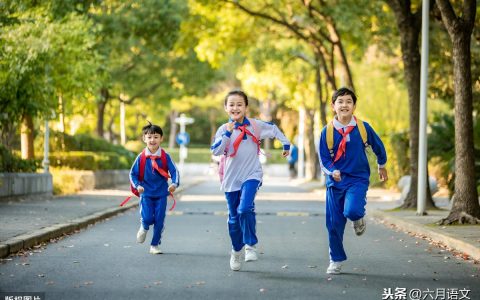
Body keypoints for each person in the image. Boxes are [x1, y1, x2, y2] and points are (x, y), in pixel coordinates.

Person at [211, 89, 290, 271]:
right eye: (231, 104)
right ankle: (236, 250)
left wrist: (285, 143)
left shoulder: (255, 125)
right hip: (231, 179)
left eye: (240, 104)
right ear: (226, 108)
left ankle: (250, 245)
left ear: (246, 107)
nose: (235, 107)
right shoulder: (223, 129)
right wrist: (227, 134)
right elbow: (216, 151)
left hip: (251, 174)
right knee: (233, 218)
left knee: (245, 208)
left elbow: (274, 129)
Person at [318, 87, 388, 275]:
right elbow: (323, 159)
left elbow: (378, 146)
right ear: (333, 106)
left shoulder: (363, 128)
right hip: (335, 182)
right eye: (340, 102)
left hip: (358, 178)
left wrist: (382, 164)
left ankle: (358, 218)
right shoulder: (327, 132)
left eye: (349, 101)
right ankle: (336, 259)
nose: (344, 105)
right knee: (333, 223)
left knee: (352, 210)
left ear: (354, 106)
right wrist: (332, 172)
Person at [129, 122, 180, 254]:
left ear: (161, 139)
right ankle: (144, 227)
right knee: (147, 218)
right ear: (144, 139)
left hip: (162, 193)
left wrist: (174, 184)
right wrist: (138, 185)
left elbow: (175, 172)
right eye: (149, 137)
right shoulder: (141, 157)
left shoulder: (165, 156)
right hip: (145, 193)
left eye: (156, 137)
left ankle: (155, 245)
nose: (152, 140)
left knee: (159, 219)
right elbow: (132, 174)